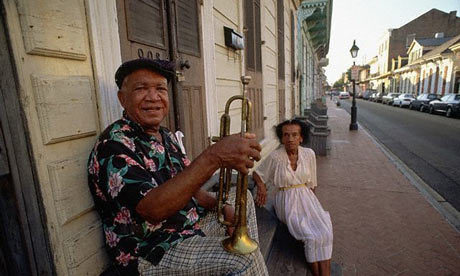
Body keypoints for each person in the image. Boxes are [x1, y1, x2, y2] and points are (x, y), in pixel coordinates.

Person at [87, 58, 268, 276]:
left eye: (160, 89)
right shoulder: (114, 144)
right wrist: (214, 156)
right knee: (244, 259)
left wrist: (220, 207)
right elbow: (152, 211)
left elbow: (190, 188)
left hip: (186, 227)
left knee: (243, 201)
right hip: (153, 250)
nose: (153, 97)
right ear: (122, 98)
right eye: (141, 88)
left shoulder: (165, 136)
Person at [252, 119, 333, 276]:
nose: (290, 139)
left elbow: (312, 183)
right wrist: (261, 186)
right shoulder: (275, 157)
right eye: (286, 135)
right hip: (285, 200)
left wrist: (313, 209)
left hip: (307, 198)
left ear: (301, 138)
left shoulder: (309, 154)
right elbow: (257, 173)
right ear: (282, 138)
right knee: (310, 236)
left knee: (325, 231)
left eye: (294, 135)